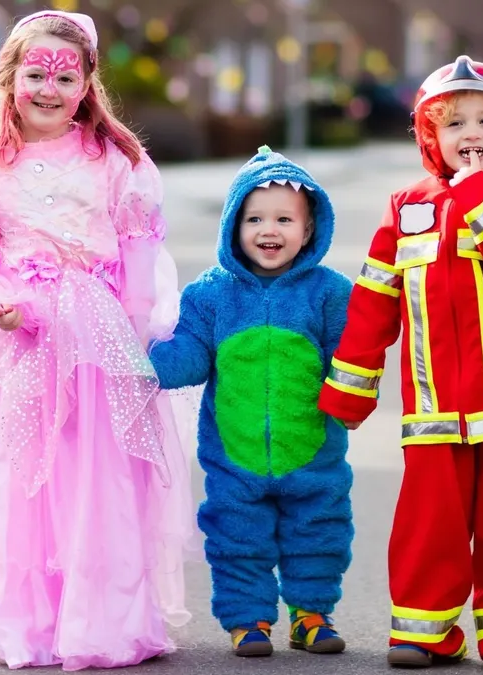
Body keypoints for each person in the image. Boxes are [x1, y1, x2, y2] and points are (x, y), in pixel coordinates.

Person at [0, 10, 199, 671]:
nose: (48, 88)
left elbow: (139, 250)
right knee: (20, 487)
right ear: (10, 79)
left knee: (95, 482)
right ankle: (28, 623)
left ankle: (105, 618)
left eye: (64, 76)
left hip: (96, 345)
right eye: (35, 74)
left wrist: (137, 334)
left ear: (87, 85)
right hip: (17, 346)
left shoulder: (115, 163)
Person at [318, 55, 483, 673]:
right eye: (455, 124)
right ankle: (425, 631)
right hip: (434, 412)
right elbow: (375, 303)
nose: (472, 135)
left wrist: (478, 194)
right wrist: (351, 388)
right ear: (431, 135)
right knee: (429, 527)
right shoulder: (404, 209)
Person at [149, 146, 354, 658]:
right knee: (237, 537)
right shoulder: (211, 295)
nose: (270, 230)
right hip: (234, 457)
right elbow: (191, 355)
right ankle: (249, 619)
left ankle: (311, 615)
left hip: (313, 451)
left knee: (318, 532)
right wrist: (148, 360)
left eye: (285, 219)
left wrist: (357, 390)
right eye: (255, 218)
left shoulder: (329, 293)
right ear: (233, 227)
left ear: (309, 230)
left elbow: (351, 357)